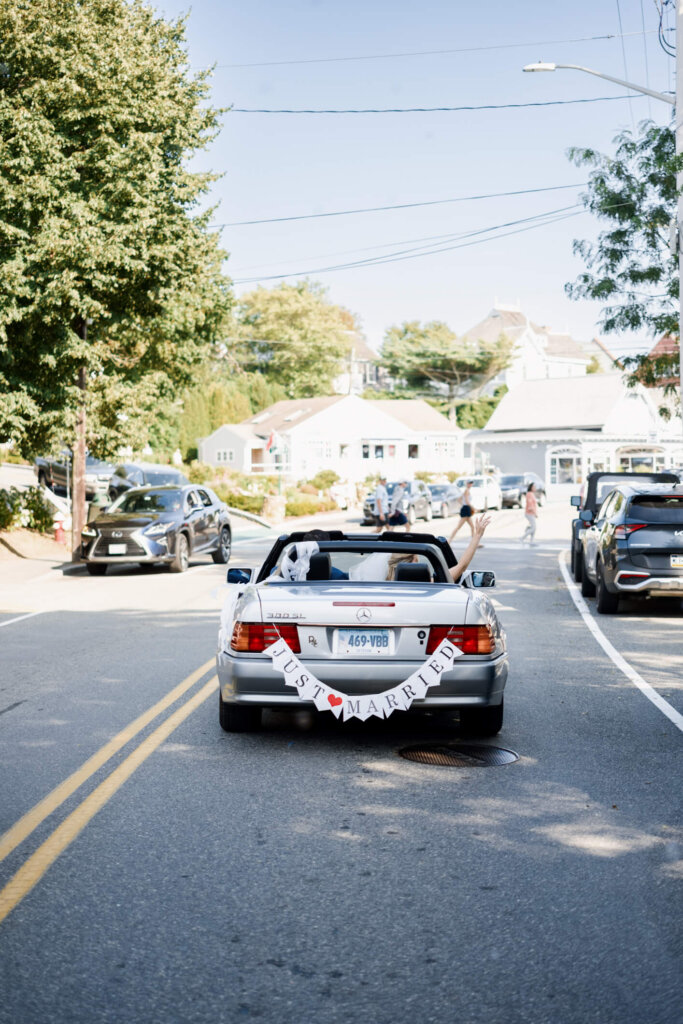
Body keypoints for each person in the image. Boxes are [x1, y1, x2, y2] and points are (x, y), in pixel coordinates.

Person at [450, 513, 491, 581]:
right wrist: (478, 535)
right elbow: (461, 567)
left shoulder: (429, 581)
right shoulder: (436, 581)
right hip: (466, 511)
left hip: (467, 511)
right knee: (460, 527)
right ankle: (450, 540)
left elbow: (461, 567)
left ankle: (449, 540)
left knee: (468, 527)